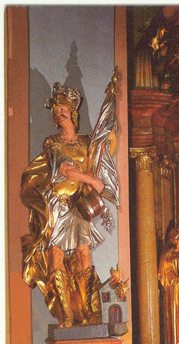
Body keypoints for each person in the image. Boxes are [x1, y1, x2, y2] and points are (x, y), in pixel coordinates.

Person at [20, 74, 119, 328]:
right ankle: (66, 315)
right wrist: (90, 179)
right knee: (56, 255)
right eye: (57, 110)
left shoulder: (86, 141)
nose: (59, 113)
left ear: (73, 112)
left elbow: (101, 154)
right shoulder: (52, 143)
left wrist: (109, 128)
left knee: (84, 253)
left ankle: (87, 311)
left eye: (64, 108)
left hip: (80, 205)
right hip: (58, 204)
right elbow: (64, 169)